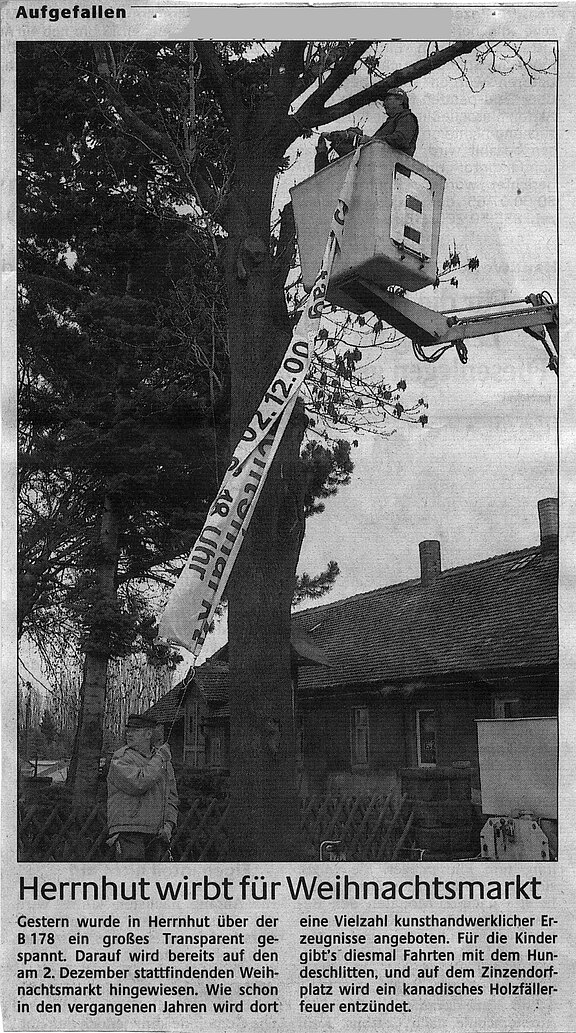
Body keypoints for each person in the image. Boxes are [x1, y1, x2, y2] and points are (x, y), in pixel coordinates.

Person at [107, 713, 178, 861]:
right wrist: (159, 759)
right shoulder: (120, 759)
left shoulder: (163, 761)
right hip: (129, 832)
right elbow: (139, 783)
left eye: (135, 730)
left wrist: (169, 825)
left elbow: (171, 797)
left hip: (157, 834)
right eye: (128, 730)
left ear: (148, 733)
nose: (129, 734)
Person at [314, 87, 419, 172]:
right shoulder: (390, 123)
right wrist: (324, 151)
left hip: (392, 172)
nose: (384, 104)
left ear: (400, 100)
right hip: (377, 169)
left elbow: (400, 139)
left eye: (387, 99)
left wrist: (363, 140)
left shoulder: (407, 117)